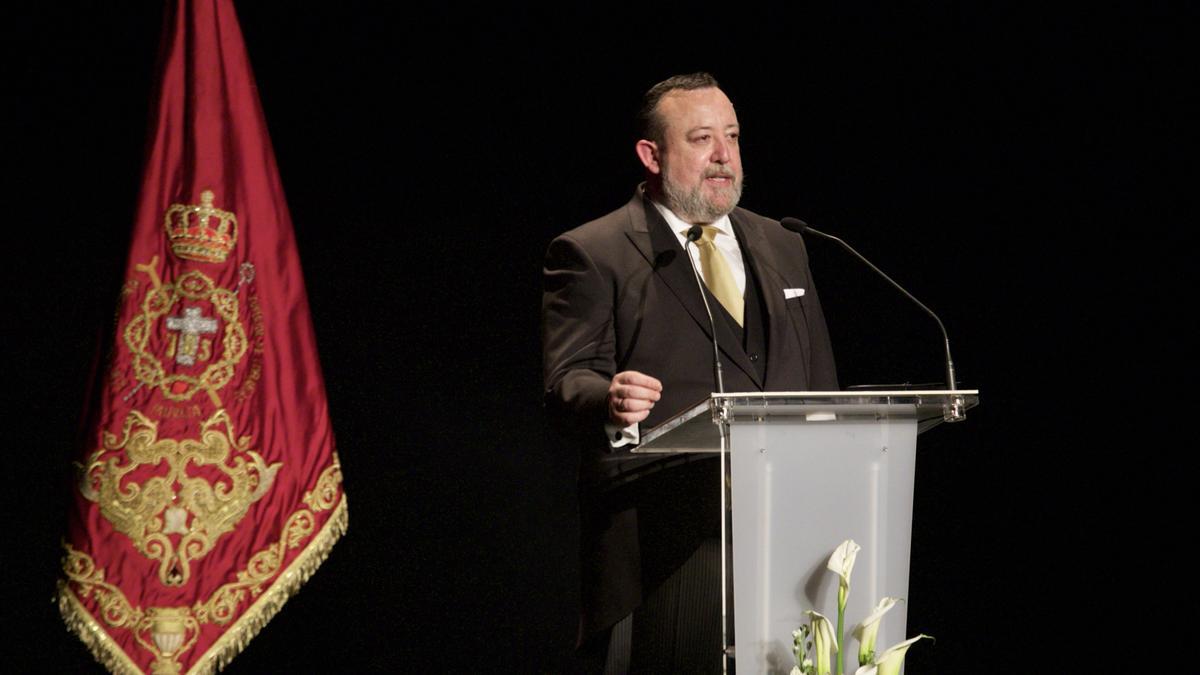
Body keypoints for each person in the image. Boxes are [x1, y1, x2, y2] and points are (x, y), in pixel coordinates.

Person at [542, 72, 838, 673]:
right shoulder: (595, 251)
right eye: (702, 139)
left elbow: (820, 384)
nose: (724, 155)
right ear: (652, 155)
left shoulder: (783, 243)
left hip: (788, 529)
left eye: (731, 136)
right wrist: (609, 398)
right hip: (665, 542)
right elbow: (567, 378)